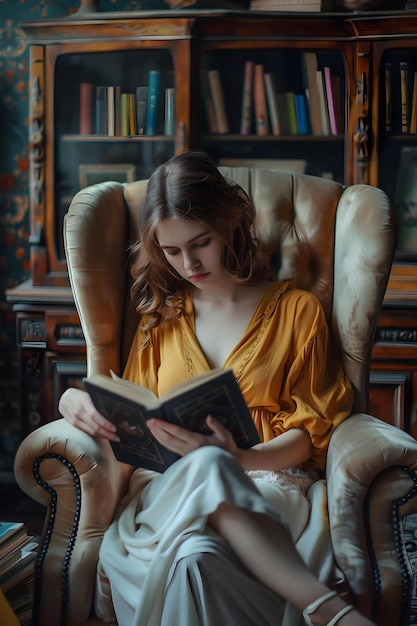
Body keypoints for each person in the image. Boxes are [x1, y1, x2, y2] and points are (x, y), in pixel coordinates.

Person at [59, 150, 375, 626]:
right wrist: (72, 399)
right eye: (170, 251)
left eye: (200, 243)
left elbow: (313, 432)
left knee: (195, 557)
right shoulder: (158, 321)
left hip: (267, 488)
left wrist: (240, 460)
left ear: (228, 223)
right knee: (203, 469)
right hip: (168, 495)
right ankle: (326, 609)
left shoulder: (298, 311)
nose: (188, 263)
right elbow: (129, 406)